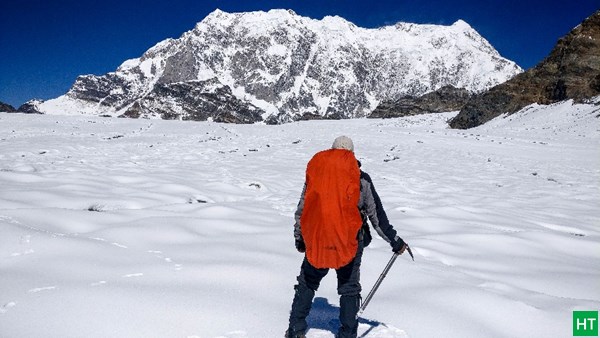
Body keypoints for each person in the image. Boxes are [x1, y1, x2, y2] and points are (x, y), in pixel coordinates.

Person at [286, 136, 408, 338]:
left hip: (317, 240)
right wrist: (395, 241)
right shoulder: (361, 179)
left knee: (307, 282)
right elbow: (376, 216)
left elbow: (303, 209)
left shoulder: (316, 177)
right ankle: (347, 333)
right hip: (349, 243)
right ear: (351, 155)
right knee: (349, 289)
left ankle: (295, 330)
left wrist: (300, 238)